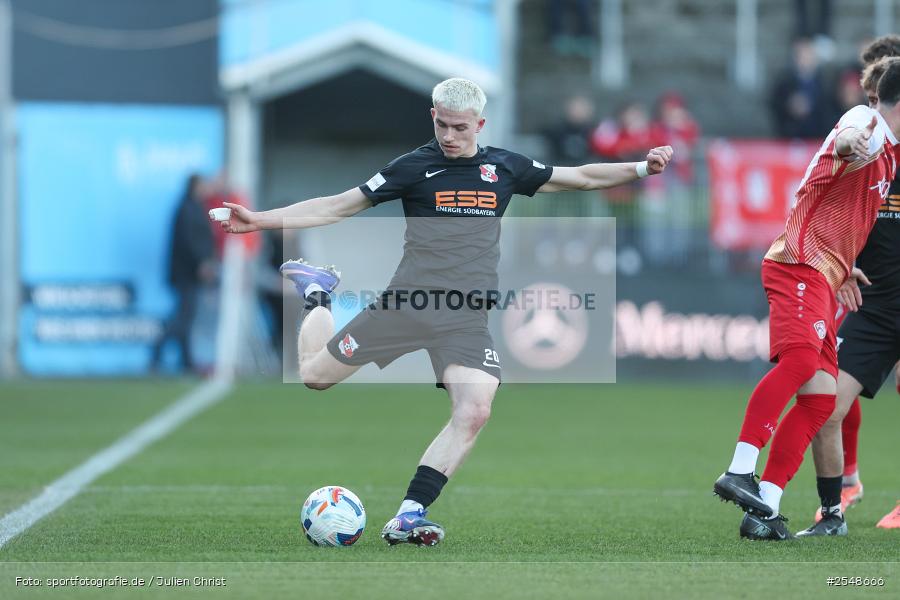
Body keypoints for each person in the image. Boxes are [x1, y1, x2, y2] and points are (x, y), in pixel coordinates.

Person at [216, 78, 673, 546]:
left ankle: (409, 515)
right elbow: (337, 207)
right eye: (442, 125)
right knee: (314, 376)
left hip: (465, 317)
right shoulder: (413, 167)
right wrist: (260, 219)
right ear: (432, 116)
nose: (449, 136)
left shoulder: (505, 167)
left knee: (474, 410)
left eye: (459, 128)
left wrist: (641, 167)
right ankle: (317, 293)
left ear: (480, 124)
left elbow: (578, 177)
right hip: (408, 305)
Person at [713, 61, 900, 541]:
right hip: (799, 262)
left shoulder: (892, 151)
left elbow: (847, 208)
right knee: (798, 363)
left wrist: (844, 264)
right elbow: (846, 137)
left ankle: (768, 508)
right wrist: (846, 144)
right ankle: (739, 468)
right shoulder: (869, 125)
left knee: (819, 401)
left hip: (826, 270)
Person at [799, 52, 900, 536]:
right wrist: (844, 266)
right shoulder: (869, 151)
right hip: (874, 304)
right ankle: (835, 509)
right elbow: (836, 212)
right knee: (824, 406)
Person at [151, 174, 216, 373]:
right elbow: (190, 242)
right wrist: (202, 263)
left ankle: (186, 361)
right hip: (186, 274)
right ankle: (158, 349)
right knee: (183, 318)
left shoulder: (192, 207)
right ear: (196, 186)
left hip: (189, 273)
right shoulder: (187, 209)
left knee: (187, 317)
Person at [770, 37, 834, 139]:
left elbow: (829, 110)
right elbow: (774, 105)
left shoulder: (825, 83)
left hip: (817, 138)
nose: (805, 60)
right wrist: (789, 106)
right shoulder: (783, 82)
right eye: (801, 56)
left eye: (808, 55)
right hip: (788, 137)